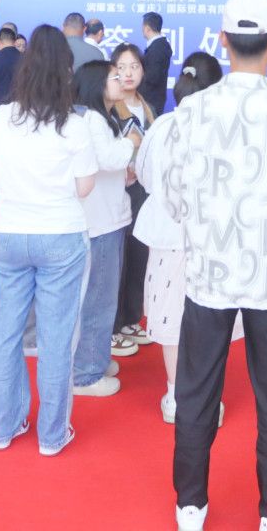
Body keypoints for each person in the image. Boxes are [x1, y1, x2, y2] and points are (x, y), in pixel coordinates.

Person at [164, 0, 267, 531]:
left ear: (223, 40)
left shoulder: (192, 111)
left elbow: (173, 199)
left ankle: (190, 506)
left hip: (207, 276)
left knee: (194, 393)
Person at [0, 25, 98, 457]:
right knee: (55, 338)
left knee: (3, 334)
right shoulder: (74, 125)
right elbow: (84, 187)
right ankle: (52, 435)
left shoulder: (0, 118)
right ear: (66, 71)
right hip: (60, 235)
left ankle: (2, 428)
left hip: (8, 232)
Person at [134, 52, 227, 425]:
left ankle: (176, 395)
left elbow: (143, 174)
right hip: (216, 235)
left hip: (168, 231)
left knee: (171, 313)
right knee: (213, 315)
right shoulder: (225, 127)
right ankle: (207, 398)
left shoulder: (163, 125)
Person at [70, 60, 137, 397]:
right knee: (99, 297)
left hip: (105, 216)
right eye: (114, 76)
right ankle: (86, 373)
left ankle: (94, 357)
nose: (121, 79)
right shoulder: (93, 120)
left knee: (100, 294)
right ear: (97, 84)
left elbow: (107, 164)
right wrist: (133, 141)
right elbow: (111, 158)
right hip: (101, 221)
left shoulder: (99, 117)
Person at [109, 42, 157, 351]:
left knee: (139, 256)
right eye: (122, 67)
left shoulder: (147, 106)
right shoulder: (110, 108)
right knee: (117, 260)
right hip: (116, 192)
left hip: (142, 193)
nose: (128, 73)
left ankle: (130, 318)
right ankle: (112, 325)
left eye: (134, 67)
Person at [140, 12, 174, 113]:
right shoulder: (159, 45)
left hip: (151, 100)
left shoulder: (157, 47)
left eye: (142, 26)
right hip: (154, 99)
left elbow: (152, 77)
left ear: (147, 28)